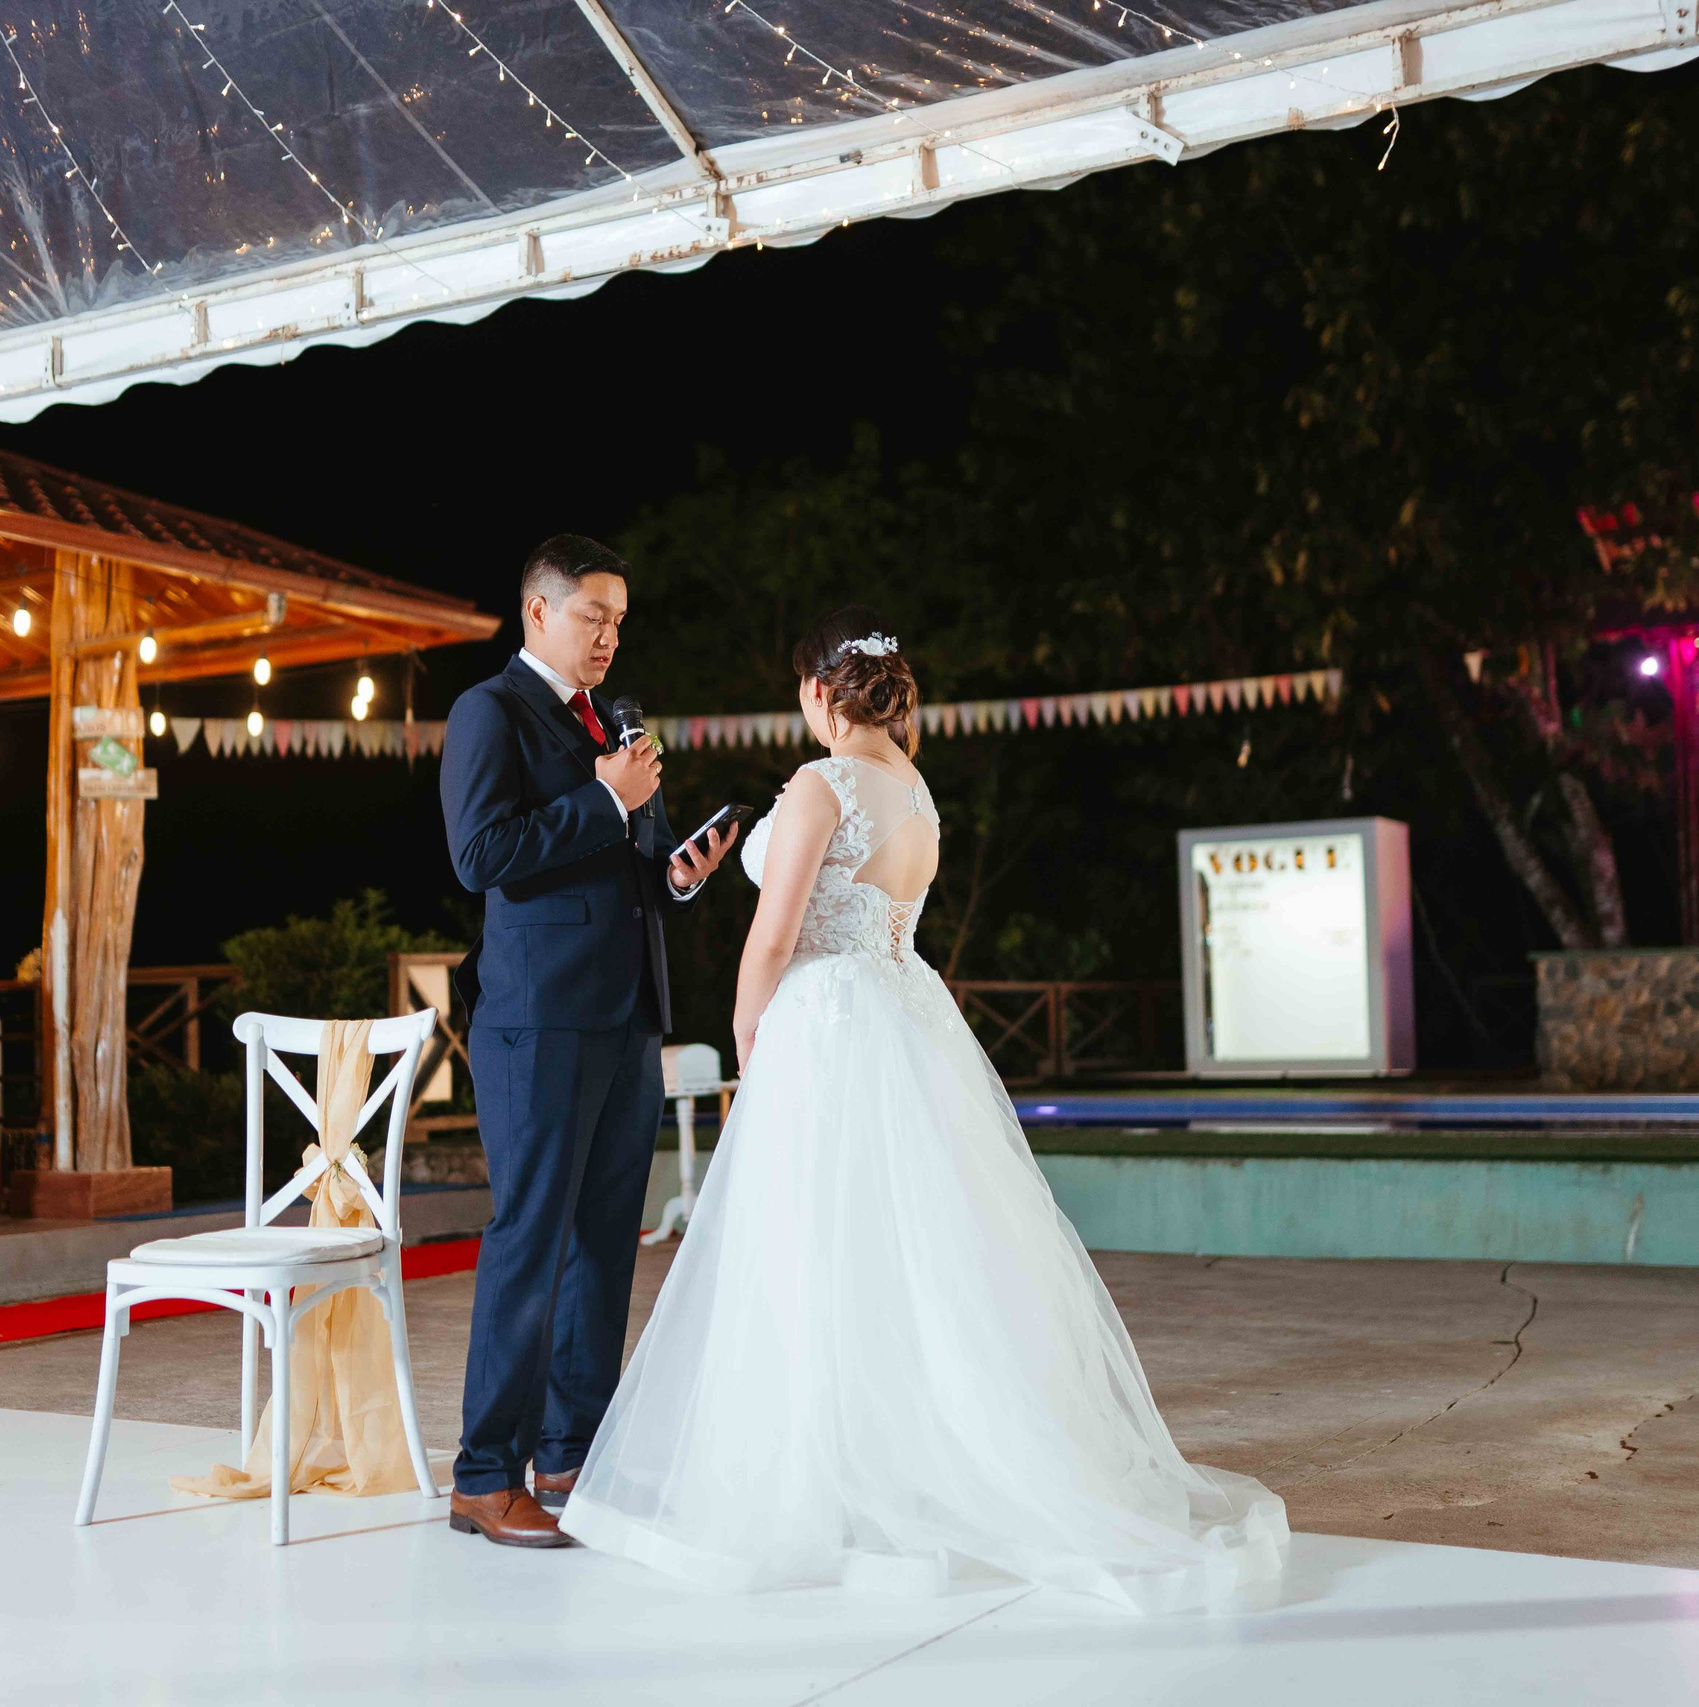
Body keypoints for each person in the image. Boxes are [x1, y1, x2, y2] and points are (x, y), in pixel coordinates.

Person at [557, 610, 1290, 1613]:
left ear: (819, 693)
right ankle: (897, 1461)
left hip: (823, 1020)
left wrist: (745, 1035)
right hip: (902, 1016)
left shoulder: (822, 784)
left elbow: (773, 939)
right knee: (910, 1253)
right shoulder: (913, 788)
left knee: (810, 1248)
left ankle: (821, 1475)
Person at [436, 534, 736, 1548]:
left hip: (624, 1015)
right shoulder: (491, 712)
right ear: (536, 613)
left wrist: (680, 872)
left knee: (607, 1242)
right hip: (536, 1020)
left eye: (618, 617)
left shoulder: (613, 720)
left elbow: (633, 866)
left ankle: (571, 1449)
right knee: (531, 1241)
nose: (610, 634)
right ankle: (484, 1474)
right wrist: (606, 798)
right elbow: (482, 856)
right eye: (591, 615)